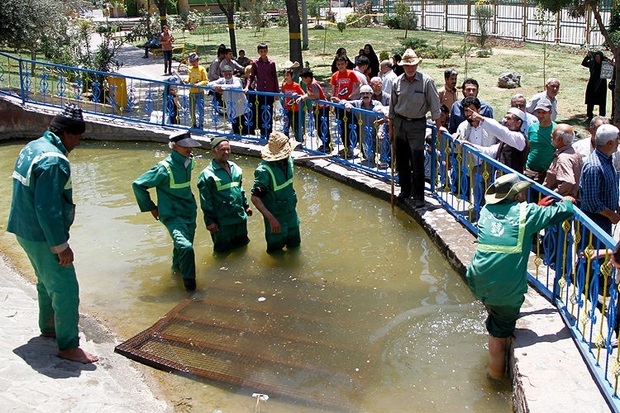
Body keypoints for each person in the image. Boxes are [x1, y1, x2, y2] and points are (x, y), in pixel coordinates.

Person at [7, 103, 98, 364]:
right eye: (78, 136)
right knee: (66, 288)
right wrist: (60, 246)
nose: (79, 143)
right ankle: (68, 346)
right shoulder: (54, 160)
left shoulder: (33, 146)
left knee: (45, 282)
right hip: (42, 234)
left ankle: (49, 328)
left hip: (23, 230)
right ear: (67, 134)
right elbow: (47, 207)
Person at [466, 173, 574, 380]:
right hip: (504, 289)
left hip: (477, 279)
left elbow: (510, 222)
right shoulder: (527, 213)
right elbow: (564, 210)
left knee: (497, 314)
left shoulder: (487, 210)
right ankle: (495, 378)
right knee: (498, 336)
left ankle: (498, 319)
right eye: (522, 191)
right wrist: (568, 201)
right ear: (516, 196)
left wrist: (536, 208)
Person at [132, 131, 202, 291]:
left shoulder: (189, 162)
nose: (190, 150)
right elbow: (138, 185)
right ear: (175, 147)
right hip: (172, 215)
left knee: (182, 248)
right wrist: (151, 207)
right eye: (186, 147)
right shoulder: (163, 168)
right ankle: (190, 288)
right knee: (186, 247)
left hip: (189, 212)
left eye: (191, 146)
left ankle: (175, 273)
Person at [388, 48, 441, 208]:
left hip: (417, 123)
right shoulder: (397, 81)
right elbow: (392, 107)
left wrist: (438, 128)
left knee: (417, 160)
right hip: (400, 122)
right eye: (407, 66)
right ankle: (405, 190)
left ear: (417, 65)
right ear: (403, 66)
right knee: (401, 159)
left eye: (413, 65)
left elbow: (435, 106)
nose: (410, 68)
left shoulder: (426, 81)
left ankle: (419, 195)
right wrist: (391, 128)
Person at [197, 137, 253, 254]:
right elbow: (205, 200)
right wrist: (210, 221)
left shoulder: (235, 168)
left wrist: (246, 206)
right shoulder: (207, 175)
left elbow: (240, 189)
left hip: (239, 218)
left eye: (228, 149)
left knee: (242, 248)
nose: (226, 152)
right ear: (214, 151)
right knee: (222, 253)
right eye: (222, 150)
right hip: (223, 223)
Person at [251, 132, 301, 253]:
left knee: (295, 247)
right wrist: (271, 219)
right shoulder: (264, 171)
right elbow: (255, 198)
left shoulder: (289, 161)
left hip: (291, 214)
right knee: (276, 252)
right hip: (276, 217)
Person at [579, 124, 620, 238]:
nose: (618, 142)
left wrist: (616, 206)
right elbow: (592, 202)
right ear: (609, 143)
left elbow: (611, 187)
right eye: (617, 140)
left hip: (604, 219)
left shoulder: (608, 159)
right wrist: (612, 215)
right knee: (593, 254)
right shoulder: (594, 166)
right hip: (594, 222)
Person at [460, 107, 529, 174]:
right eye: (505, 117)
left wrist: (482, 119)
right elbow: (490, 152)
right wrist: (472, 146)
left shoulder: (520, 139)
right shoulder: (505, 140)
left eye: (509, 119)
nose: (505, 121)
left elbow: (503, 132)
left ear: (518, 123)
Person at [344, 84, 385, 167]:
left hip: (377, 130)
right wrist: (346, 104)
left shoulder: (377, 104)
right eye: (363, 94)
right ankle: (370, 163)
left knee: (382, 142)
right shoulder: (357, 103)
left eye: (367, 93)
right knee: (369, 156)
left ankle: (383, 161)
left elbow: (382, 112)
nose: (365, 95)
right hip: (365, 133)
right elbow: (342, 101)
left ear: (371, 94)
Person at [246, 43, 279, 139]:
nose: (263, 53)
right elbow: (251, 77)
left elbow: (275, 78)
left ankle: (269, 132)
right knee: (261, 111)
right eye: (261, 51)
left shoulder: (271, 63)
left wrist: (276, 92)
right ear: (258, 52)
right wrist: (247, 87)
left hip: (270, 91)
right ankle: (262, 132)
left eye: (264, 51)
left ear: (267, 51)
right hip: (260, 91)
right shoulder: (256, 63)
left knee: (269, 110)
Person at [330, 55, 361, 158]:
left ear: (346, 64)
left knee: (352, 125)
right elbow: (333, 90)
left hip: (349, 102)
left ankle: (353, 146)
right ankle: (346, 147)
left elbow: (359, 84)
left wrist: (353, 94)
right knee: (342, 126)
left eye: (342, 64)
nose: (340, 66)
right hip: (339, 104)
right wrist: (332, 104)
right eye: (338, 65)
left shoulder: (351, 73)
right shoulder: (335, 75)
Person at [206, 65, 251, 135]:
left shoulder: (236, 79)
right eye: (225, 73)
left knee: (246, 130)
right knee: (235, 129)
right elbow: (209, 84)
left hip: (242, 108)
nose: (228, 75)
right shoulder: (222, 80)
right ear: (223, 73)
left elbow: (236, 86)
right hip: (232, 109)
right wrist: (216, 88)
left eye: (229, 73)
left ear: (232, 72)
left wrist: (222, 87)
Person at [543, 124, 582, 199]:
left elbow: (568, 181)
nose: (551, 138)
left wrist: (554, 194)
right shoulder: (574, 152)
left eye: (553, 136)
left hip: (559, 203)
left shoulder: (563, 158)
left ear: (559, 140)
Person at [524, 98, 556, 183]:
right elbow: (528, 146)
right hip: (530, 171)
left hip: (547, 174)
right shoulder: (532, 128)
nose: (540, 115)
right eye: (539, 112)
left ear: (550, 112)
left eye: (544, 112)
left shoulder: (556, 129)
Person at [300, 68, 331, 152]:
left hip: (322, 107)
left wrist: (306, 97)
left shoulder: (313, 84)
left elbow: (316, 95)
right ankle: (324, 143)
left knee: (323, 126)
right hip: (317, 107)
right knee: (318, 126)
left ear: (308, 78)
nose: (302, 81)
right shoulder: (309, 83)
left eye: (303, 79)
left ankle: (327, 145)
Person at [582, 50, 609, 123]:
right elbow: (584, 63)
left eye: (598, 57)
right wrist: (588, 56)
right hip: (592, 83)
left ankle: (602, 116)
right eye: (596, 57)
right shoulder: (592, 63)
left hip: (601, 83)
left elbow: (610, 63)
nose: (597, 59)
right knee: (590, 100)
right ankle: (589, 115)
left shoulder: (605, 64)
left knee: (602, 101)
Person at [281, 67, 306, 142]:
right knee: (286, 124)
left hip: (296, 109)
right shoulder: (284, 85)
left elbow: (303, 94)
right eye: (284, 75)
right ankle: (286, 140)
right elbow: (283, 93)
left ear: (292, 76)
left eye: (287, 75)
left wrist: (297, 94)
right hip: (287, 108)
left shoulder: (296, 85)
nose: (286, 77)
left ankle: (299, 140)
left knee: (296, 125)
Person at [185, 52, 208, 129]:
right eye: (191, 62)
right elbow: (189, 78)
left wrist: (199, 84)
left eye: (194, 61)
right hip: (191, 92)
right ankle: (193, 123)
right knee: (192, 109)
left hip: (199, 92)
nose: (193, 63)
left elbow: (206, 80)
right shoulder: (190, 69)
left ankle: (201, 124)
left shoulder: (202, 69)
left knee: (200, 109)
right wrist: (186, 80)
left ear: (197, 60)